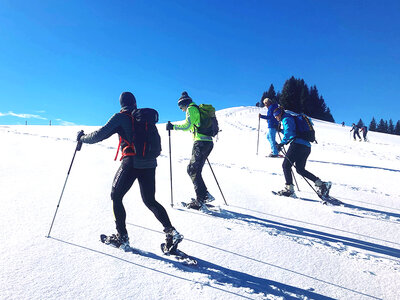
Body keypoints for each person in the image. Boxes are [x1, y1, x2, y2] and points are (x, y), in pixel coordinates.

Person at [77, 91, 183, 253]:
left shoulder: (121, 117)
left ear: (121, 103)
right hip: (149, 163)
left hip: (131, 163)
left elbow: (99, 135)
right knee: (150, 200)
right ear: (135, 103)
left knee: (116, 196)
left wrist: (82, 138)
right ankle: (171, 232)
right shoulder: (143, 118)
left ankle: (122, 237)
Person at [166, 91, 215, 210]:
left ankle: (201, 198)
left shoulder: (191, 109)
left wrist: (173, 127)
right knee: (195, 170)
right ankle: (204, 195)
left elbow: (187, 125)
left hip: (201, 142)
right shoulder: (195, 108)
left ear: (184, 104)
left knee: (192, 169)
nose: (182, 110)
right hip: (206, 142)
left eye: (181, 107)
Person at [273, 106, 331, 197]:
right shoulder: (291, 118)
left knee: (286, 165)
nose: (275, 117)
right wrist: (280, 130)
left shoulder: (286, 118)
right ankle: (322, 184)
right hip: (306, 147)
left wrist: (281, 144)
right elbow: (292, 132)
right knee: (300, 169)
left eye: (276, 115)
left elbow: (289, 132)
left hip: (297, 145)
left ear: (280, 113)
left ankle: (289, 190)